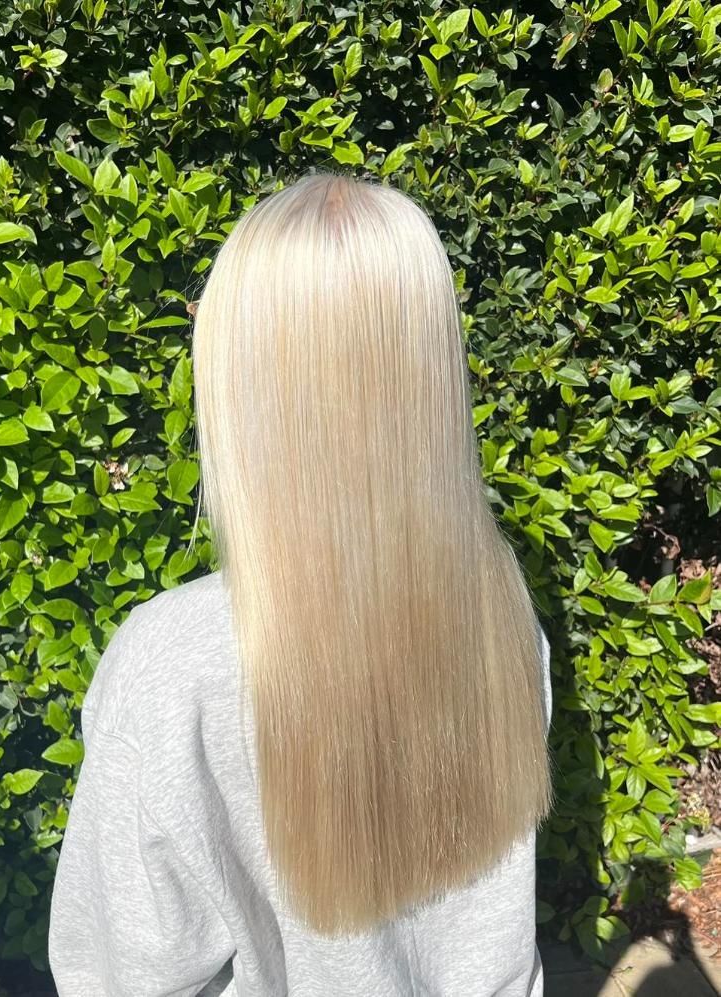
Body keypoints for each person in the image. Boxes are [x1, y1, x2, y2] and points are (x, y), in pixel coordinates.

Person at [48, 171, 555, 996]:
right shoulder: (501, 613)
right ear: (432, 374)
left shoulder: (177, 667)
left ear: (236, 380)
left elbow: (120, 973)